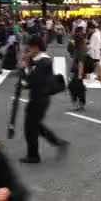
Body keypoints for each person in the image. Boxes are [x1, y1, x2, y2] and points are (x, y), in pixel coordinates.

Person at [19, 36, 69, 164]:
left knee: (30, 128)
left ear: (36, 47)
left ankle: (34, 155)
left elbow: (34, 80)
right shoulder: (38, 61)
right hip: (38, 97)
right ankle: (58, 142)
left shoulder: (44, 62)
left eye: (30, 47)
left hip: (40, 98)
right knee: (36, 126)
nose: (28, 50)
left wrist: (24, 70)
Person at [68, 33, 87, 111]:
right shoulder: (78, 48)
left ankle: (77, 103)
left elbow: (81, 63)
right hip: (77, 71)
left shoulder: (80, 50)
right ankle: (80, 103)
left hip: (77, 72)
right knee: (78, 88)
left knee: (73, 87)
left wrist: (79, 74)